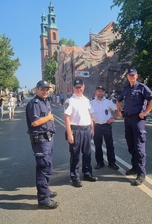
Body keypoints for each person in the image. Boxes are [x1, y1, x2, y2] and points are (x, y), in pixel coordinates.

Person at [116, 68, 152, 186]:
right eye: (130, 75)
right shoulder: (125, 89)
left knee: (139, 147)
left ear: (137, 76)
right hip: (127, 120)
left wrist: (145, 112)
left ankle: (141, 173)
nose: (131, 77)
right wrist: (119, 113)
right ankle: (134, 167)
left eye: (133, 75)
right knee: (131, 145)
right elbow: (118, 101)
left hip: (138, 120)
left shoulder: (142, 87)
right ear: (127, 76)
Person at [25, 80, 58, 209]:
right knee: (43, 168)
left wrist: (52, 129)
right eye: (43, 89)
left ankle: (46, 191)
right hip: (41, 141)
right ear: (36, 89)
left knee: (48, 167)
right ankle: (44, 200)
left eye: (47, 89)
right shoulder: (34, 103)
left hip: (48, 139)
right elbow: (35, 122)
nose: (45, 91)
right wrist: (49, 118)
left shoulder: (45, 101)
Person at [64, 79, 97, 188]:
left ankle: (87, 173)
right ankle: (75, 177)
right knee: (75, 155)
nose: (79, 89)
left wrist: (92, 128)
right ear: (73, 88)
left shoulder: (86, 100)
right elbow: (66, 117)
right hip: (76, 130)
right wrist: (69, 133)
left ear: (84, 87)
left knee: (87, 153)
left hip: (87, 129)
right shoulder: (70, 101)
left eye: (80, 87)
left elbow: (90, 114)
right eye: (77, 87)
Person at [90, 86, 119, 170]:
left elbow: (117, 110)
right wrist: (91, 122)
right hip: (97, 126)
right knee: (97, 145)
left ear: (104, 92)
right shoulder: (91, 103)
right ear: (95, 92)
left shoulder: (108, 102)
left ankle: (112, 163)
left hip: (106, 126)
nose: (100, 93)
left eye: (102, 91)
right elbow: (89, 114)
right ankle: (100, 162)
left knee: (109, 145)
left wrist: (113, 118)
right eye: (99, 91)